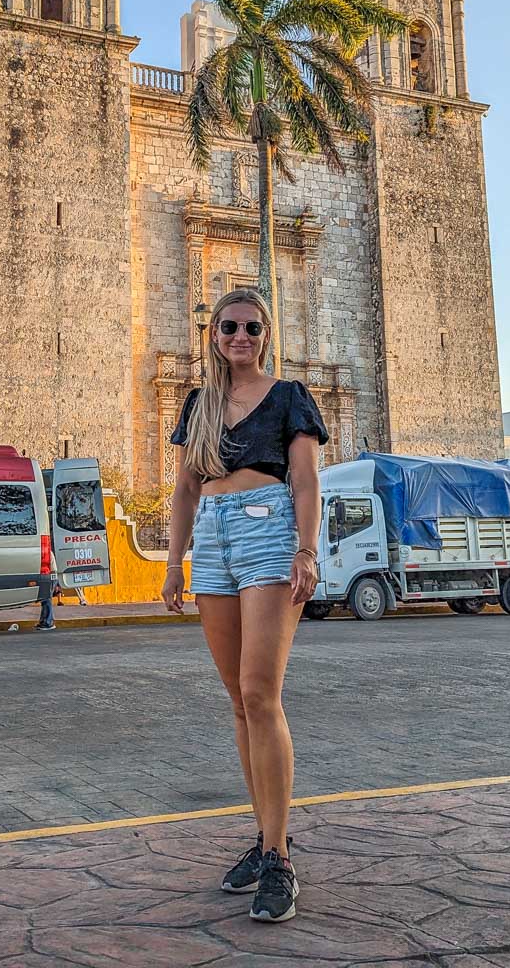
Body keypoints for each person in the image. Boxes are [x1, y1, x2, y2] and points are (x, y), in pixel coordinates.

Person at [162, 288, 329, 924]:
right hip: (212, 539)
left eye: (252, 327)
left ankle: (280, 857)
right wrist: (174, 561)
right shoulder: (199, 405)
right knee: (237, 701)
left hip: (269, 531)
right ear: (214, 334)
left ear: (266, 334)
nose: (240, 336)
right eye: (229, 326)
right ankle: (263, 840)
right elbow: (183, 489)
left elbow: (306, 479)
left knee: (262, 694)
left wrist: (307, 551)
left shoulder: (289, 397)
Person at [36, 554, 58, 631]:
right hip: (51, 574)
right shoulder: (47, 550)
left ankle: (48, 623)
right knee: (45, 599)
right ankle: (44, 621)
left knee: (46, 599)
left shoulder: (46, 551)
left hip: (50, 575)